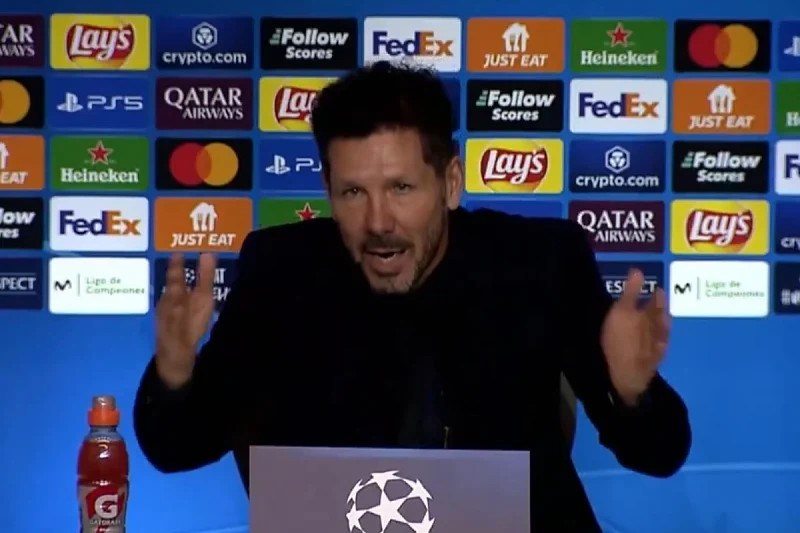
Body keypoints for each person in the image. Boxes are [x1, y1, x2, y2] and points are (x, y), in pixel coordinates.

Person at [133, 61, 691, 532]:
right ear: (328, 189)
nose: (379, 222)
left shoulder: (540, 264)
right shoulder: (282, 271)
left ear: (450, 183)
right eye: (353, 192)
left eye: (401, 188)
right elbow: (178, 447)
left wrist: (633, 395)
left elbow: (659, 454)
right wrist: (175, 374)